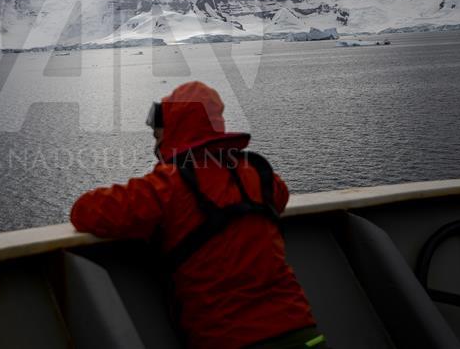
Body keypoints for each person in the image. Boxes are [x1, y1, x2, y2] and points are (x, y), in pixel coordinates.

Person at [70, 81, 325, 349]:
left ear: (174, 129)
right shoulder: (259, 173)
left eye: (157, 135)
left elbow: (86, 211)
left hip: (232, 340)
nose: (155, 143)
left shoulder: (169, 185)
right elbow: (279, 197)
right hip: (302, 331)